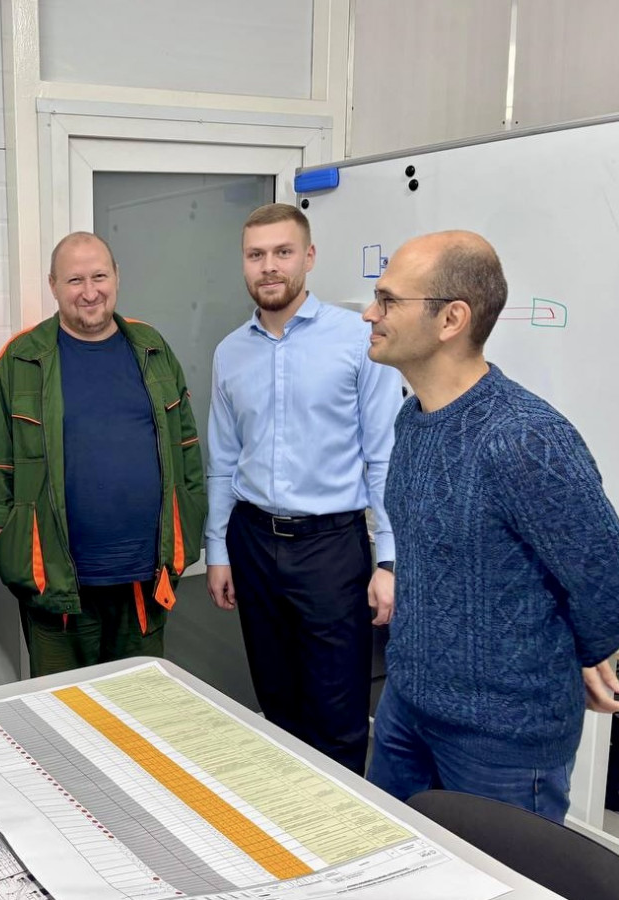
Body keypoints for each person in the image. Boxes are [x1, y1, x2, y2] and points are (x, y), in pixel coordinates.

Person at [362, 229, 619, 822]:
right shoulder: (412, 418)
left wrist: (575, 654)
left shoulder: (524, 438)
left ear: (451, 319)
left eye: (389, 301)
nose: (371, 314)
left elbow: (603, 572)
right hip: (408, 707)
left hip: (502, 740)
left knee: (501, 872)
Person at [205, 203, 403, 773]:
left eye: (283, 252)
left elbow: (383, 457)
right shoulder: (229, 352)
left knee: (338, 714)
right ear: (244, 262)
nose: (269, 266)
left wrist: (389, 559)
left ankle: (342, 821)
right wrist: (217, 550)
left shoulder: (357, 340)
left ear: (308, 257)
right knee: (277, 705)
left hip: (331, 548)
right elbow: (222, 460)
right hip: (252, 542)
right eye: (256, 254)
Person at [0, 232, 206, 677]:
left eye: (99, 276)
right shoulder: (20, 360)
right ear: (53, 285)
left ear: (117, 276)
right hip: (57, 585)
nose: (89, 291)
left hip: (145, 579)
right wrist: (13, 546)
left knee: (140, 705)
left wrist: (188, 523)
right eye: (74, 280)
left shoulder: (152, 348)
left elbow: (187, 449)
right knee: (63, 709)